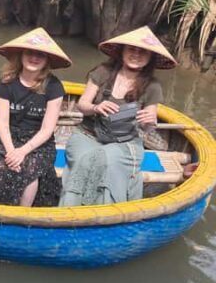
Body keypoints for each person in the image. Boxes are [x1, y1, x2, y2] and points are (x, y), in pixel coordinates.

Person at [59, 26, 174, 206]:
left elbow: (148, 126)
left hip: (125, 143)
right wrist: (96, 107)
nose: (136, 55)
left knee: (108, 161)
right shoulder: (102, 72)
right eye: (132, 49)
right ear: (122, 51)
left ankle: (106, 212)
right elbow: (82, 105)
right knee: (84, 160)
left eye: (143, 52)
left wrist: (149, 121)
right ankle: (72, 210)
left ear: (150, 57)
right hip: (88, 135)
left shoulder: (152, 86)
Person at [0, 28, 71, 207]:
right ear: (21, 56)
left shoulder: (54, 86)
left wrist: (22, 152)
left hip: (39, 143)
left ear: (46, 60)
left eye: (40, 55)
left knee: (30, 168)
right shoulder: (6, 83)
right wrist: (12, 151)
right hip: (8, 139)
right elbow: (2, 123)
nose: (34, 58)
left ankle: (22, 213)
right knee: (0, 167)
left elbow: (47, 129)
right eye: (29, 53)